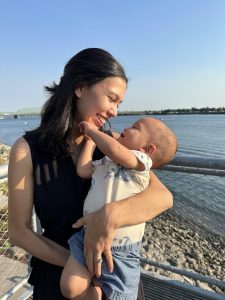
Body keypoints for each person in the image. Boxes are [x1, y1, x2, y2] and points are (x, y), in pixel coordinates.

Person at [8, 48, 173, 300]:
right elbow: (19, 231)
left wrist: (108, 216)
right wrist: (81, 261)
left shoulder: (111, 144)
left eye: (119, 104)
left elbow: (162, 197)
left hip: (115, 276)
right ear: (80, 88)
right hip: (62, 278)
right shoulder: (27, 149)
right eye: (111, 98)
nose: (115, 112)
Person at [60, 117, 178, 300]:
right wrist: (90, 144)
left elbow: (115, 149)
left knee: (123, 296)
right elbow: (83, 171)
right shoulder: (107, 162)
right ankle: (96, 294)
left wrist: (92, 131)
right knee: (69, 287)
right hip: (87, 236)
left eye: (135, 128)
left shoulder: (141, 163)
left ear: (147, 149)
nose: (126, 127)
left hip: (122, 251)